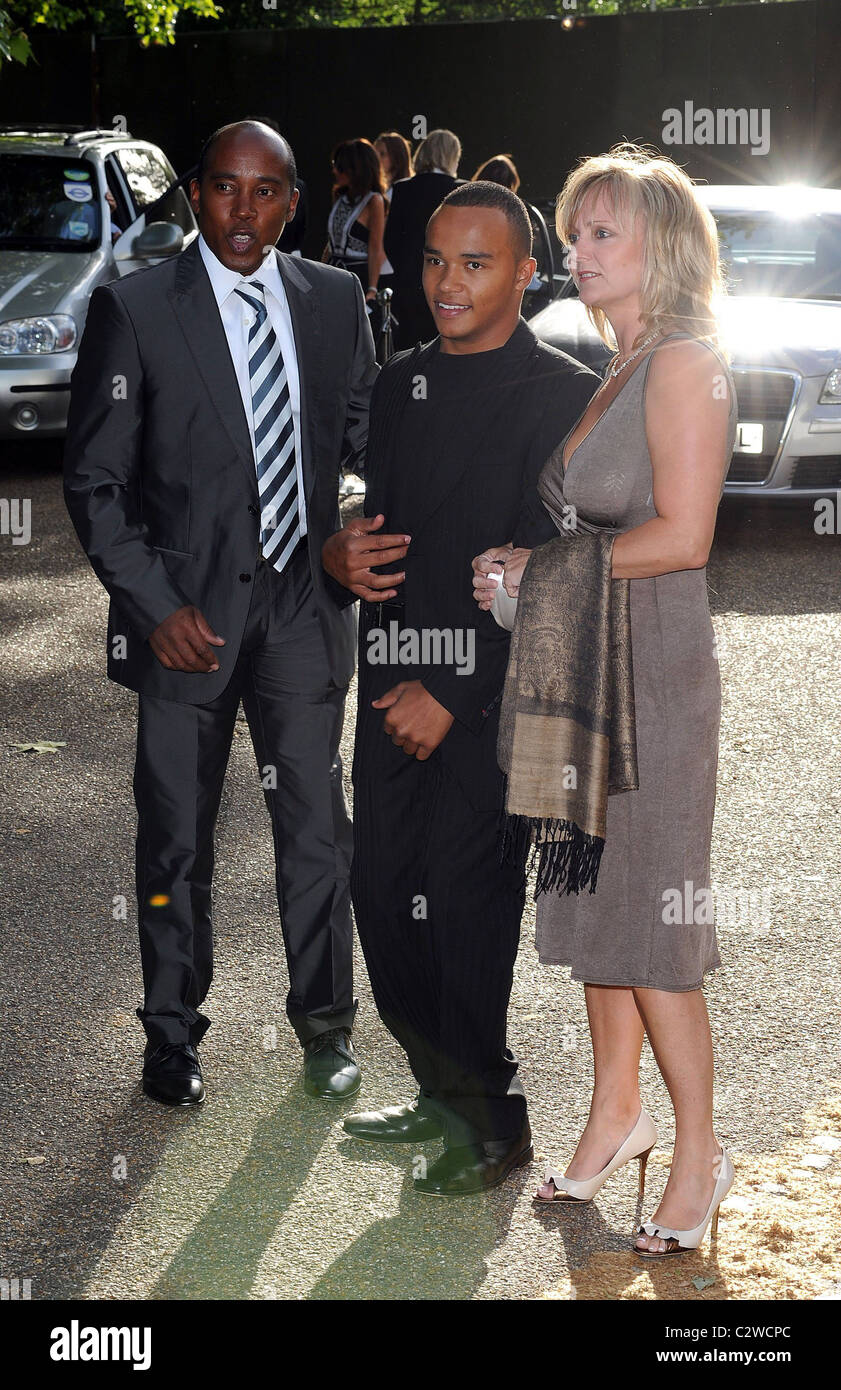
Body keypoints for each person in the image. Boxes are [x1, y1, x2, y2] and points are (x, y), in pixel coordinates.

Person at [63, 120, 378, 1108]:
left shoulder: (334, 302)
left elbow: (372, 444)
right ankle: (169, 1038)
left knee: (318, 832)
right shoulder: (138, 306)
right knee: (174, 842)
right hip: (186, 622)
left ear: (293, 202)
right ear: (197, 195)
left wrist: (356, 523)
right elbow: (96, 483)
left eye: (268, 191)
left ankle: (326, 1027)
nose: (246, 211)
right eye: (228, 190)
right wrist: (153, 606)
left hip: (301, 609)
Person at [472, 144, 737, 1255]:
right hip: (587, 678)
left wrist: (542, 574)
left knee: (651, 924)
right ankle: (615, 1114)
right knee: (593, 912)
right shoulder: (619, 366)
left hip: (654, 688)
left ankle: (700, 1151)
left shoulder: (682, 363)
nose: (574, 252)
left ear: (658, 247)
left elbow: (683, 536)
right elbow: (590, 530)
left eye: (599, 234)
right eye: (573, 233)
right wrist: (515, 569)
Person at [323, 181, 599, 1196]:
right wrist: (336, 559)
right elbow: (382, 536)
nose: (445, 281)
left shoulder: (566, 392)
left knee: (469, 906)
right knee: (381, 895)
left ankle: (490, 1118)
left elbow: (559, 566)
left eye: (474, 263)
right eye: (433, 259)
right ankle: (441, 1089)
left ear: (527, 274)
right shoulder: (399, 386)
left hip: (490, 702)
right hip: (392, 694)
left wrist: (455, 688)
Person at [383, 128, 461, 349]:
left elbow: (390, 241)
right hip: (448, 283)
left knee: (408, 350)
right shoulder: (460, 189)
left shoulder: (402, 189)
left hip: (407, 284)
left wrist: (406, 268)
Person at [324, 138, 387, 312]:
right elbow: (331, 243)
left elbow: (375, 248)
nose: (335, 171)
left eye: (340, 167)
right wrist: (318, 271)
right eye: (335, 164)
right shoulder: (339, 197)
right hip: (331, 272)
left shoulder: (374, 201)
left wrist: (372, 290)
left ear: (356, 170)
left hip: (356, 278)